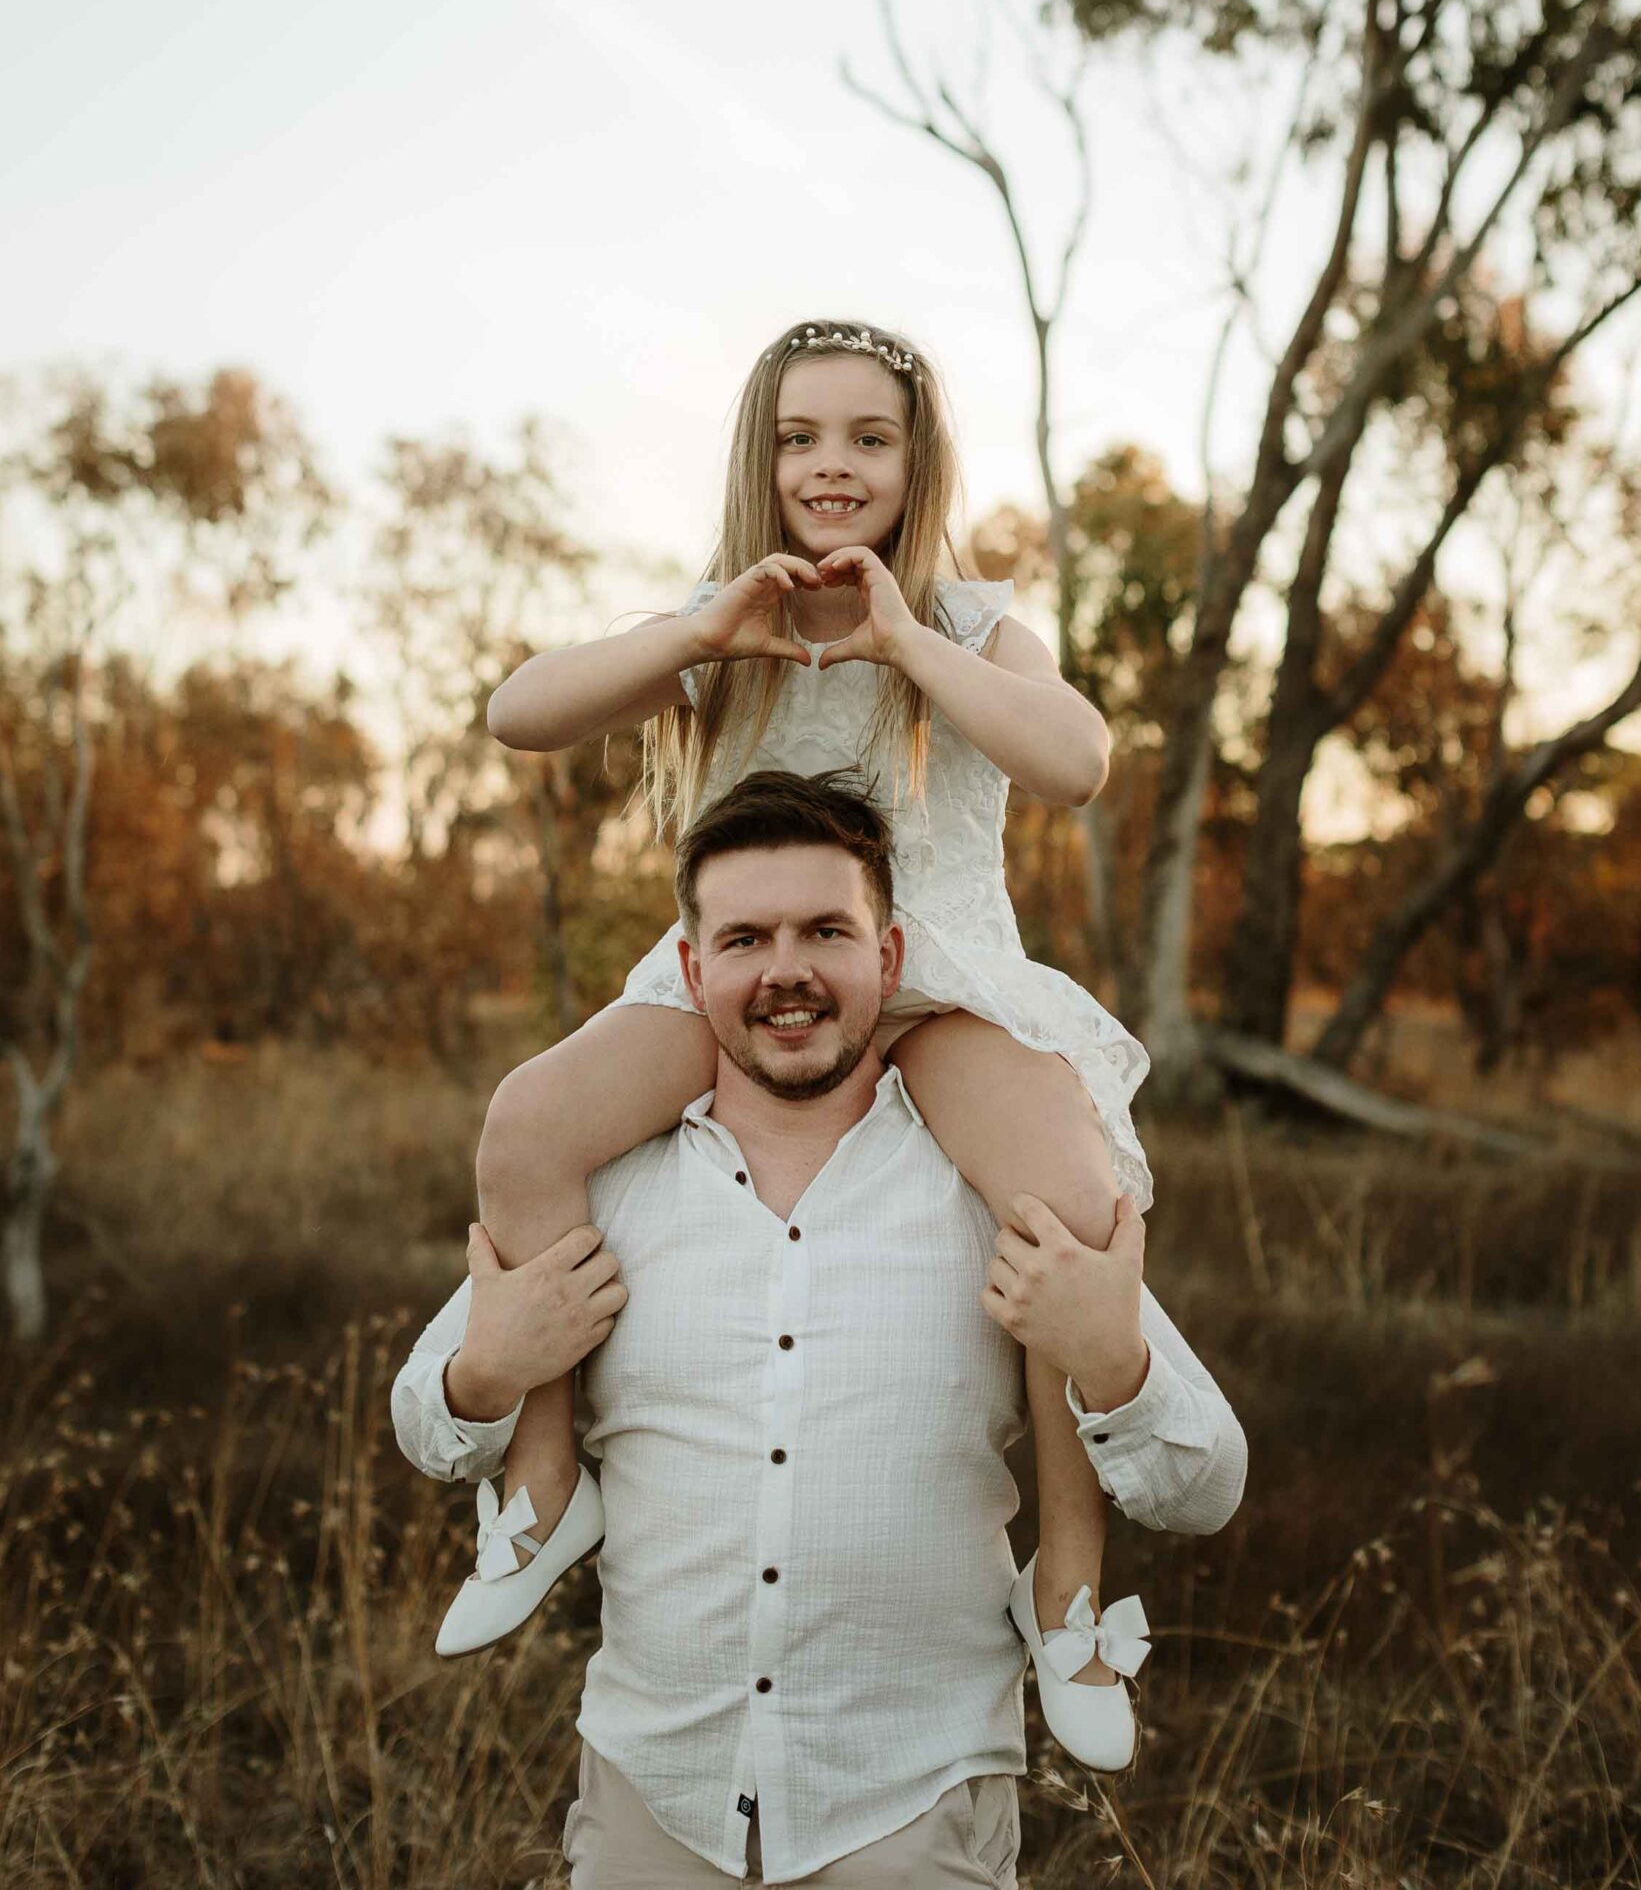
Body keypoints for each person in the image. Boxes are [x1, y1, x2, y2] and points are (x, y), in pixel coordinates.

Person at [450, 317, 1154, 1766]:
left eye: (866, 438)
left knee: (1069, 1188)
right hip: (750, 971)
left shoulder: (969, 622)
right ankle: (539, 1480)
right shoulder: (723, 618)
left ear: (915, 462)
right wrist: (699, 633)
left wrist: (900, 633)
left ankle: (1068, 1575)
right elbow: (517, 714)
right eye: (799, 437)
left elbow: (1076, 763)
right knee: (525, 1124)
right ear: (760, 456)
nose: (830, 465)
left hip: (935, 972)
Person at [393, 773, 1247, 1887]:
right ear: (690, 971)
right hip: (655, 1793)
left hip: (911, 1800)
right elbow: (423, 1419)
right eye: (744, 937)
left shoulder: (998, 1184)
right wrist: (482, 1372)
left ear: (887, 961)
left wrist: (1111, 1360)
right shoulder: (608, 1187)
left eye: (824, 931)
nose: (784, 970)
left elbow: (1206, 1483)